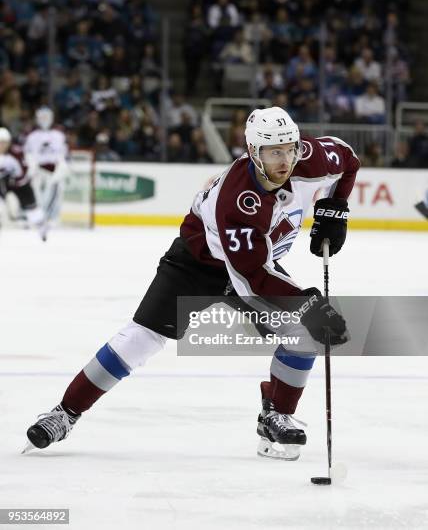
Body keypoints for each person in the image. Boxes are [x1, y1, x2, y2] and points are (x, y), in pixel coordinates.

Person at [24, 106, 360, 460]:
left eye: (290, 148)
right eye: (274, 151)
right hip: (198, 263)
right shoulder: (237, 202)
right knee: (141, 337)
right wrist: (307, 304)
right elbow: (252, 279)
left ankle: (275, 413)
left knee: (301, 333)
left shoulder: (309, 157)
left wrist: (335, 208)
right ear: (253, 152)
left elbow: (348, 159)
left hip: (257, 263)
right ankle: (65, 412)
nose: (286, 159)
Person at [24, 107, 68, 227]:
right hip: (37, 170)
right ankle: (37, 217)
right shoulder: (32, 136)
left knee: (55, 192)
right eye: (42, 117)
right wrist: (31, 167)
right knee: (35, 193)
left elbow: (63, 154)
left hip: (54, 170)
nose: (44, 120)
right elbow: (27, 154)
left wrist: (60, 168)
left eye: (46, 117)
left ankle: (52, 217)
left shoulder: (59, 135)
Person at [0, 127, 47, 239]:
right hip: (2, 184)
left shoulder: (16, 153)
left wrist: (14, 181)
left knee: (31, 207)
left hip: (19, 183)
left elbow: (24, 171)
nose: (1, 145)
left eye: (4, 142)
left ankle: (41, 226)